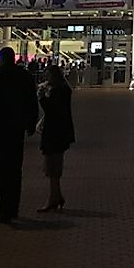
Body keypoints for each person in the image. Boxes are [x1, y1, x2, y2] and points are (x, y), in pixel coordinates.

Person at [0, 47, 39, 223]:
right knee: (15, 169)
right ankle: (13, 207)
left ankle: (4, 209)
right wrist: (30, 124)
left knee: (3, 170)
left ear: (1, 60)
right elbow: (32, 101)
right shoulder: (25, 77)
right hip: (17, 128)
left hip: (0, 129)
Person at [36, 64, 75, 213]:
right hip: (59, 132)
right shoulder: (63, 90)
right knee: (53, 165)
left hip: (55, 133)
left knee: (52, 165)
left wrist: (42, 98)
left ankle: (54, 197)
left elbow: (52, 109)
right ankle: (56, 195)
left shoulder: (60, 91)